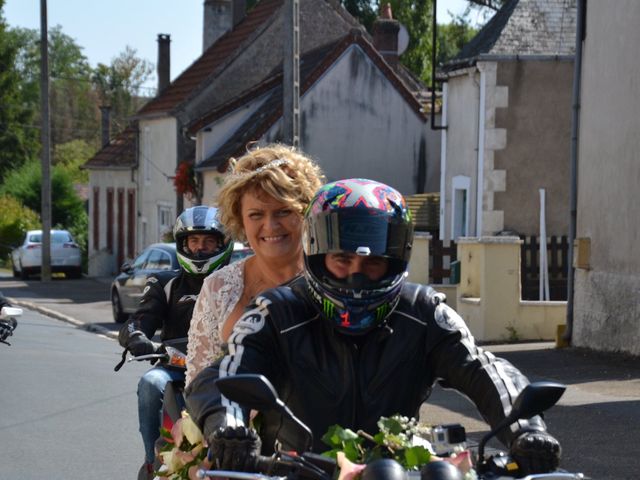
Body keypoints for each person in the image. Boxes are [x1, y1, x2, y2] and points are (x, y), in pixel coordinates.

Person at [185, 178, 562, 477]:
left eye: (373, 263)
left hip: (400, 468)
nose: (355, 275)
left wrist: (526, 430)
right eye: (342, 259)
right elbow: (225, 374)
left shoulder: (424, 311)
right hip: (295, 470)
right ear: (318, 254)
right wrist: (228, 425)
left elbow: (483, 369)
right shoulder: (277, 311)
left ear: (396, 259)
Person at [185, 144, 324, 385]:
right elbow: (199, 385)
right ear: (240, 219)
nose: (270, 226)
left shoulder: (331, 281)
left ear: (305, 212)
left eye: (283, 211)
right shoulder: (219, 289)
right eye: (256, 215)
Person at [118, 206, 233, 480]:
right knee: (150, 383)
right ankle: (152, 462)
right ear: (183, 244)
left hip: (226, 369)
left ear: (222, 244)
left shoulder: (236, 281)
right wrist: (136, 337)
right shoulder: (165, 283)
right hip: (174, 367)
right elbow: (140, 320)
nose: (200, 249)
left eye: (208, 242)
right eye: (193, 242)